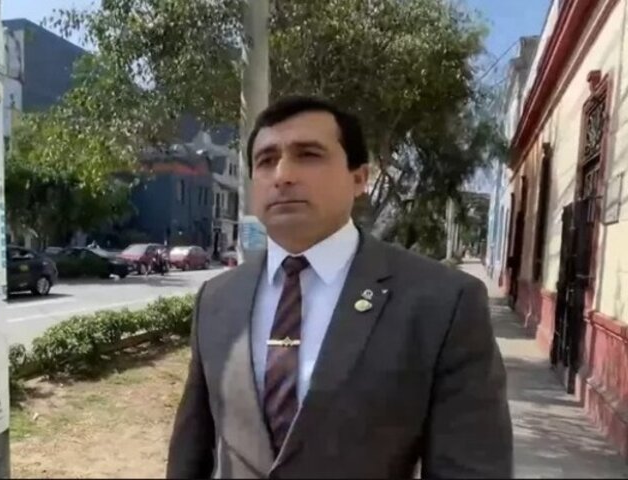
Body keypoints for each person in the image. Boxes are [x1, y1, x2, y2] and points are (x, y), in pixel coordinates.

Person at [167, 96, 513, 479]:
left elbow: (472, 468)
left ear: (359, 178)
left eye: (308, 155)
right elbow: (190, 452)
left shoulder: (443, 302)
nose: (282, 175)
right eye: (266, 160)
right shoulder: (217, 298)